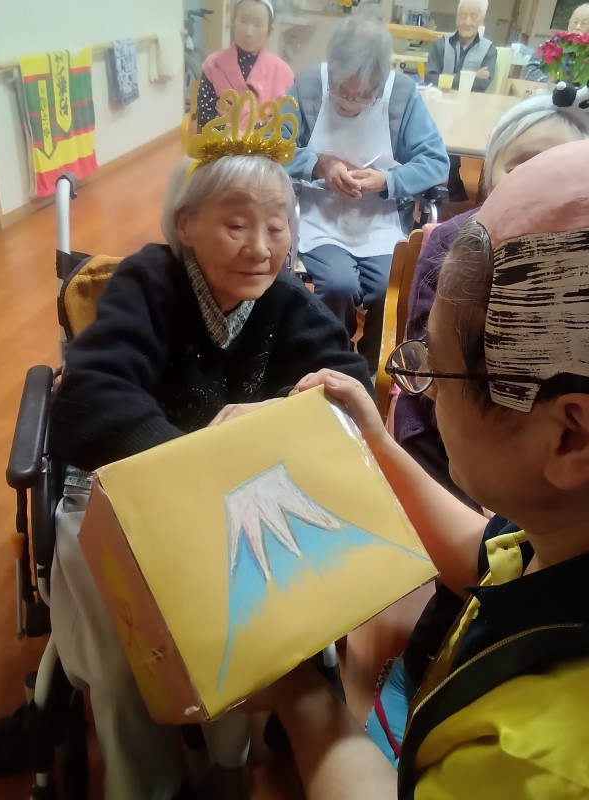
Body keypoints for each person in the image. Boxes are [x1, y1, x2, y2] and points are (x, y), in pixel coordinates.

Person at [48, 92, 372, 800]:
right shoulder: (148, 281)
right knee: (124, 651)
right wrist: (191, 466)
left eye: (277, 226)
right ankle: (145, 784)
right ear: (186, 224)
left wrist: (272, 419)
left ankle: (230, 763)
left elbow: (348, 385)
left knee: (258, 625)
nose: (260, 247)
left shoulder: (285, 300)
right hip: (128, 494)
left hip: (237, 505)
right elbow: (88, 396)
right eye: (235, 223)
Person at [259, 137, 589, 798]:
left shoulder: (530, 763)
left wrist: (301, 693)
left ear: (568, 437)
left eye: (438, 367)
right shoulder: (563, 532)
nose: (426, 392)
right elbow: (489, 558)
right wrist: (375, 441)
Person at [394, 84, 589, 508]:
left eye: (561, 169)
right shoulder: (454, 244)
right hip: (449, 436)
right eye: (521, 168)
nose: (538, 185)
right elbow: (433, 371)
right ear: (489, 173)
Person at [283, 15, 449, 373]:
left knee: (390, 289)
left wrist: (387, 181)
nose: (350, 103)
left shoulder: (401, 94)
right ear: (332, 68)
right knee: (338, 285)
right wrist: (318, 164)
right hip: (319, 215)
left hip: (379, 219)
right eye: (342, 90)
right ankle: (330, 360)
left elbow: (436, 162)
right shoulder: (308, 85)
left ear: (382, 81)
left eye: (365, 95)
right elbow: (272, 147)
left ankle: (374, 370)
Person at [425, 0, 497, 201]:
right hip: (439, 107)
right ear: (456, 18)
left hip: (471, 109)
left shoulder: (489, 49)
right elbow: (431, 78)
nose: (467, 21)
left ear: (481, 19)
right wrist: (471, 76)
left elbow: (483, 85)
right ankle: (447, 179)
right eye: (463, 15)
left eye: (473, 16)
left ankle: (452, 177)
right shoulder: (440, 44)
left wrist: (448, 79)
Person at [197, 0, 293, 130]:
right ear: (233, 21)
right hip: (220, 141)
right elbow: (205, 116)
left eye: (258, 24)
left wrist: (253, 135)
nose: (249, 32)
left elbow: (286, 124)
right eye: (244, 20)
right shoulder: (213, 65)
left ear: (269, 30)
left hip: (266, 142)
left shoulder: (284, 73)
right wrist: (229, 135)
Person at [523, 3, 589, 82]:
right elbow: (529, 71)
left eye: (584, 23)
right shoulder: (552, 44)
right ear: (569, 24)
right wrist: (548, 83)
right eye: (575, 22)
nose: (577, 27)